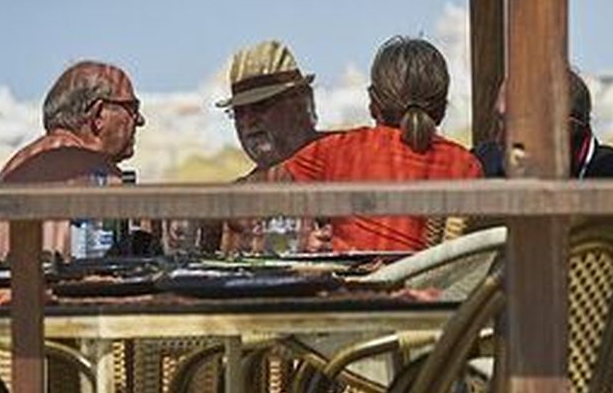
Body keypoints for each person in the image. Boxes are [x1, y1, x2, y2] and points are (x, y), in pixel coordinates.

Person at [265, 36, 481, 252]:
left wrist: (295, 241)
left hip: (354, 285)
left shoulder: (340, 151)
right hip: (436, 285)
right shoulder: (466, 165)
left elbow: (253, 198)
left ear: (372, 103)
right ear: (442, 109)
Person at [0, 60, 145, 260]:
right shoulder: (99, 174)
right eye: (131, 108)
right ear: (98, 114)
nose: (140, 120)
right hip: (58, 290)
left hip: (5, 289)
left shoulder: (17, 165)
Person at [204, 41, 326, 253]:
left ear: (300, 103)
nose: (249, 121)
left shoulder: (344, 158)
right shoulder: (239, 196)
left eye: (261, 105)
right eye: (240, 112)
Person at [473, 69, 613, 179]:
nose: (500, 138)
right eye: (501, 121)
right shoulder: (483, 163)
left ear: (567, 129)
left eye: (517, 126)